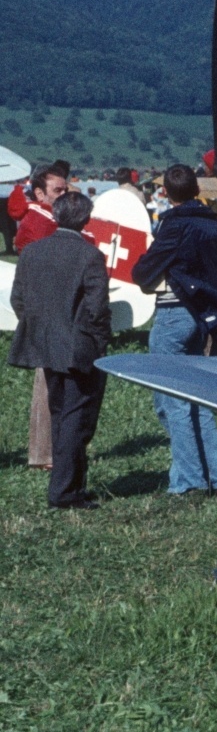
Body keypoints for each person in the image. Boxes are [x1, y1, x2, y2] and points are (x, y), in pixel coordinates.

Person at [130, 164, 217, 495]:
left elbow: (144, 272)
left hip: (174, 313)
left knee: (172, 402)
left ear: (166, 192)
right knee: (195, 398)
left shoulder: (174, 225)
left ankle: (189, 481)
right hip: (202, 315)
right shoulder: (214, 224)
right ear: (196, 189)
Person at [8, 190, 110, 509]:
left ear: (55, 215)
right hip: (80, 348)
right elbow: (97, 309)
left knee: (60, 414)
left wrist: (41, 328)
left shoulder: (32, 252)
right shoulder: (90, 256)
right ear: (86, 219)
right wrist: (100, 343)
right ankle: (65, 491)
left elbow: (18, 299)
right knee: (76, 419)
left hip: (46, 345)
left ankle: (71, 486)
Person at [15, 163, 71, 471]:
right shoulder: (37, 222)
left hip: (56, 313)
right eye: (57, 190)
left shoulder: (49, 220)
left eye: (65, 189)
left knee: (53, 382)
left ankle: (48, 452)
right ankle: (45, 454)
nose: (63, 195)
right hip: (50, 314)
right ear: (39, 193)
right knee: (48, 384)